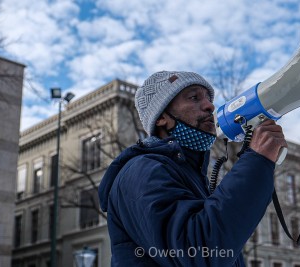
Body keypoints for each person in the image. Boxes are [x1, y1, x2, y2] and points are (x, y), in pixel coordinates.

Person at [98, 71, 287, 266]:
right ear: (162, 117)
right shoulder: (141, 170)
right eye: (194, 98)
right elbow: (200, 249)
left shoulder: (190, 177)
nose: (210, 106)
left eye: (208, 99)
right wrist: (256, 161)